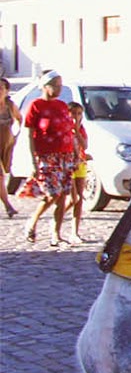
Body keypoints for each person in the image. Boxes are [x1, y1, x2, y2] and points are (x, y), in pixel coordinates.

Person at [19, 73, 76, 247]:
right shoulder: (36, 105)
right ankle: (32, 222)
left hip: (65, 155)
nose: (59, 88)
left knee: (63, 195)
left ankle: (56, 233)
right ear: (45, 86)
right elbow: (30, 134)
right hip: (46, 155)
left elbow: (70, 130)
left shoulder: (62, 105)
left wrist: (75, 153)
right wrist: (33, 161)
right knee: (52, 193)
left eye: (60, 85)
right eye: (55, 85)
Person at [65, 100, 94, 245]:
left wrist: (76, 131)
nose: (76, 116)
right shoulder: (64, 128)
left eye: (79, 114)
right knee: (73, 198)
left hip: (80, 164)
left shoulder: (81, 129)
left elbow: (85, 145)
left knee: (79, 198)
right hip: (68, 164)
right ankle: (58, 217)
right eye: (73, 113)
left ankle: (74, 232)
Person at [0, 77, 20, 217]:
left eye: (1, 88)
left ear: (7, 91)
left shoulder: (10, 106)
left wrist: (16, 136)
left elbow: (20, 119)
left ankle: (8, 206)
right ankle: (8, 206)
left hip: (6, 146)